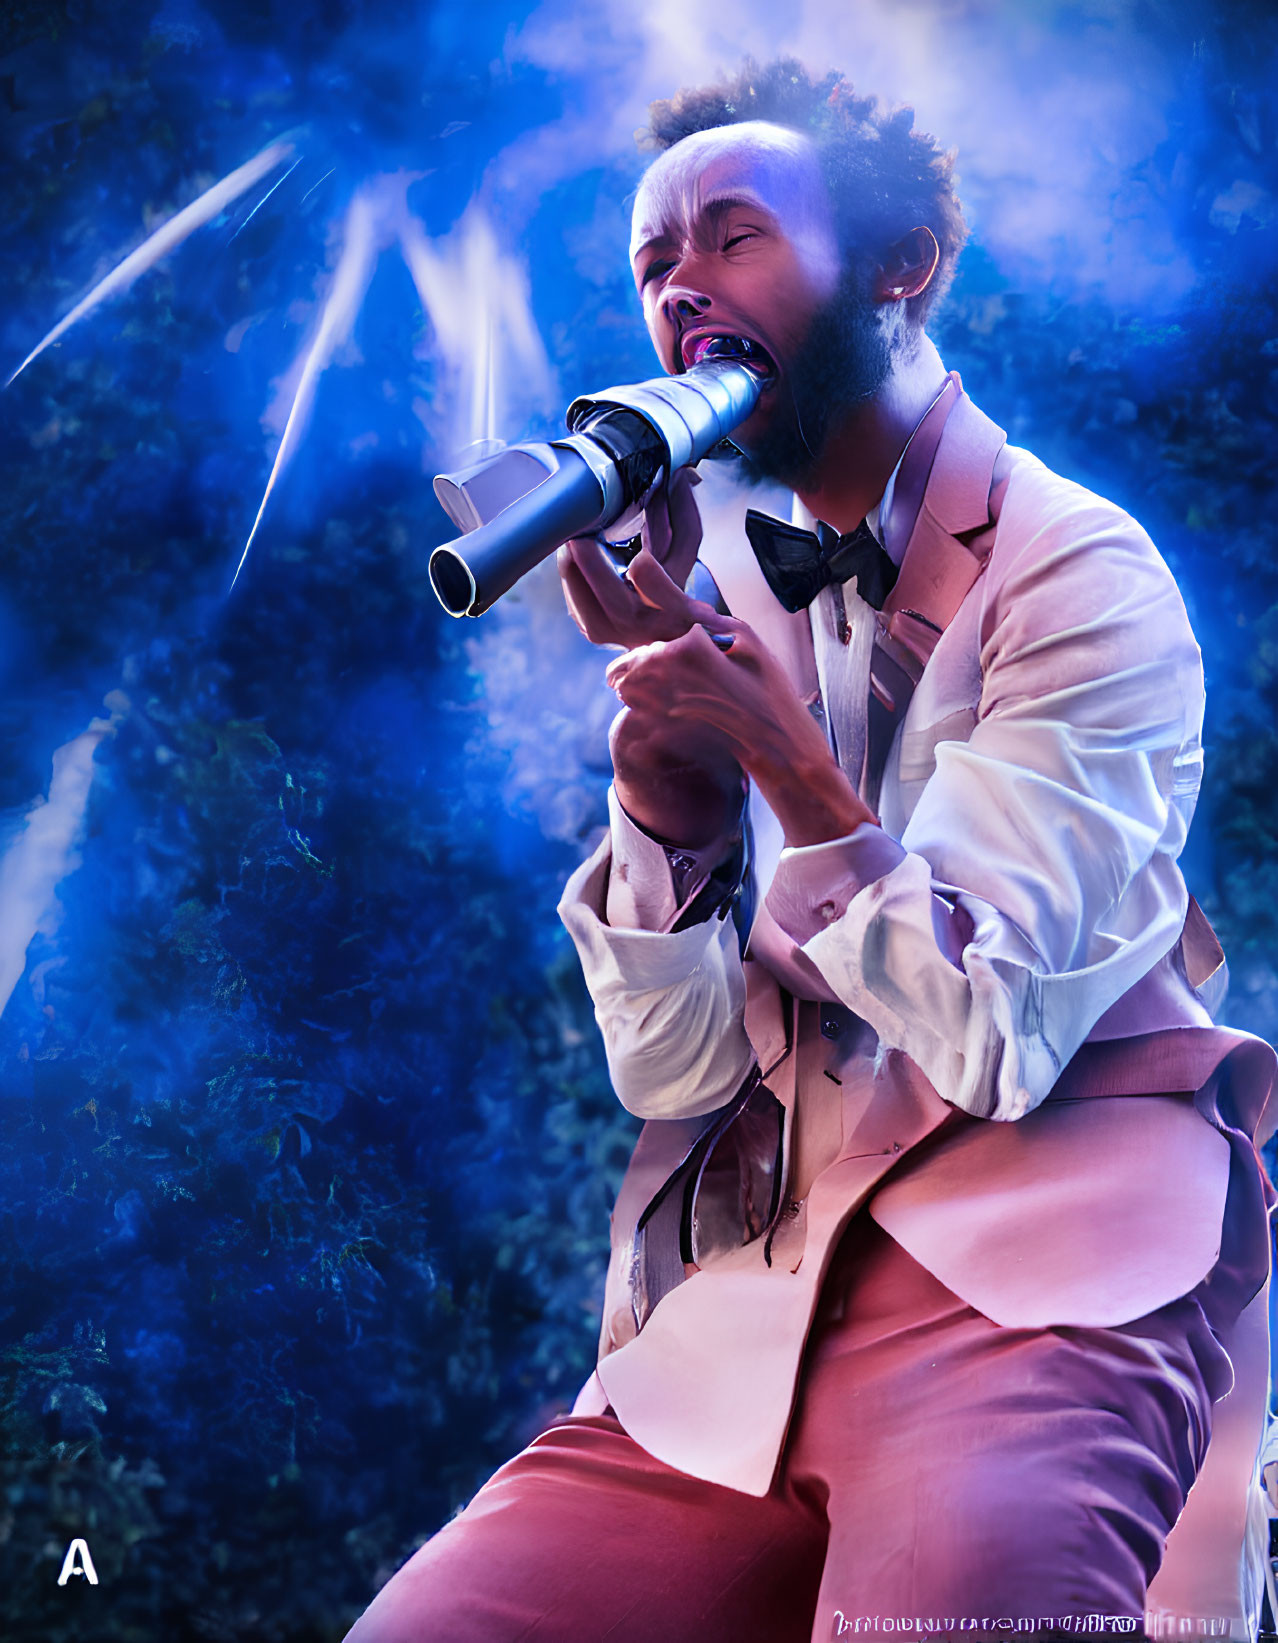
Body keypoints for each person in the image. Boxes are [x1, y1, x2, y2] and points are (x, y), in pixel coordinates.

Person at [345, 61, 1277, 1643]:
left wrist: (779, 754)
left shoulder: (1080, 574)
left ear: (898, 267)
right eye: (653, 264)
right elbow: (678, 1076)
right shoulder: (722, 585)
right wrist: (669, 801)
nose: (681, 289)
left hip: (1044, 1275)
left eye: (730, 238)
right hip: (756, 1309)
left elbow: (988, 1036)